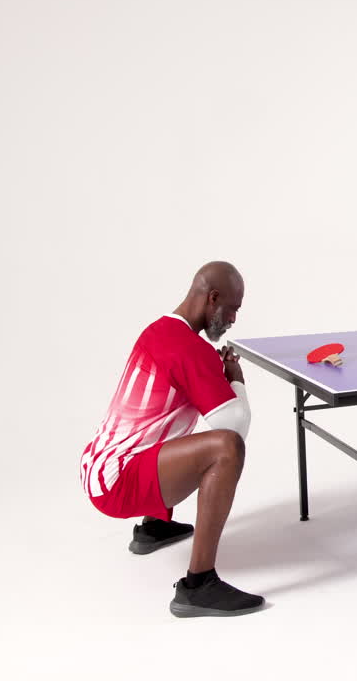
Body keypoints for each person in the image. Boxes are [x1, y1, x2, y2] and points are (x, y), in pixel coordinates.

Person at [80, 261, 265, 617]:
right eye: (232, 309)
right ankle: (199, 585)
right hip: (117, 485)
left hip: (99, 468)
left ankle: (154, 528)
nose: (233, 320)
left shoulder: (160, 330)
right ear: (213, 298)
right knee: (226, 448)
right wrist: (235, 377)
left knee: (169, 430)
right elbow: (235, 425)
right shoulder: (189, 349)